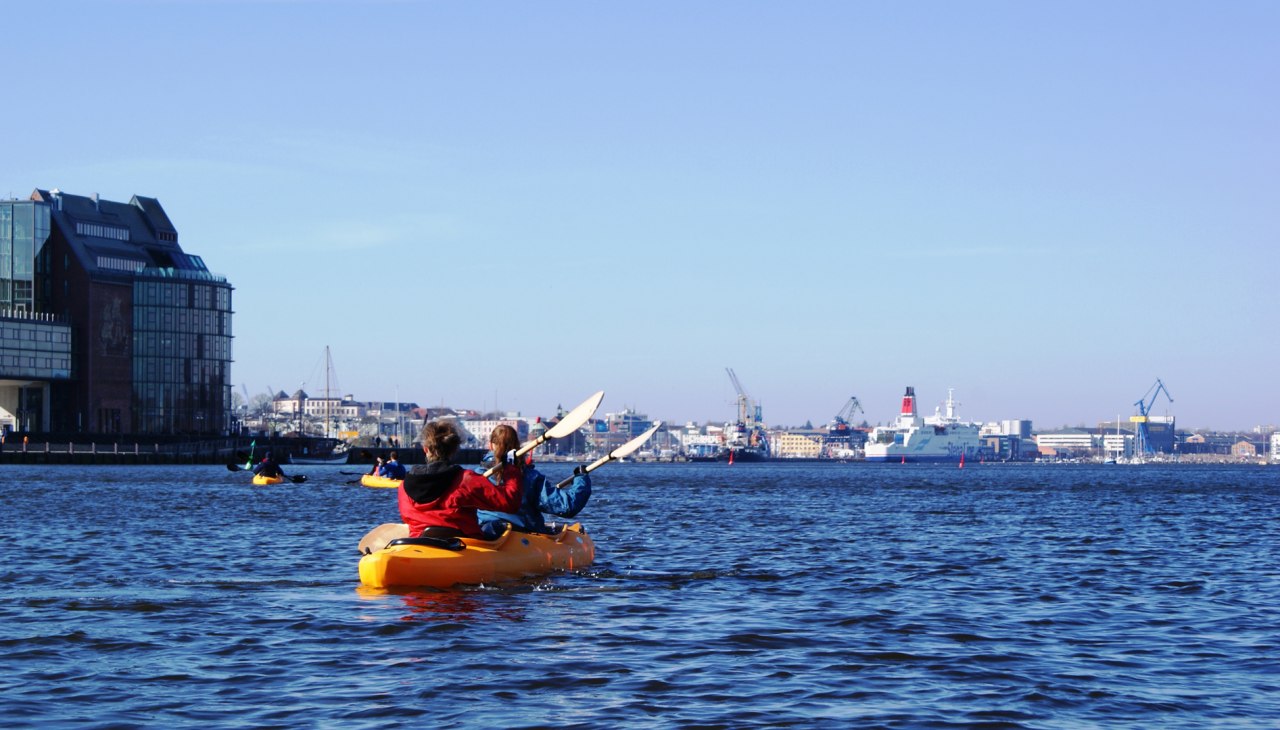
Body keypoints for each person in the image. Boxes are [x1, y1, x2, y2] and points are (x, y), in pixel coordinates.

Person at [398, 420, 522, 539]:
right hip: (465, 545)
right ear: (454, 449)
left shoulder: (403, 487)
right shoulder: (466, 480)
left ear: (425, 449)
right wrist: (511, 469)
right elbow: (510, 504)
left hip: (420, 543)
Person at [476, 424, 591, 538]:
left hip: (485, 534)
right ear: (517, 446)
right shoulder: (530, 477)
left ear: (490, 445)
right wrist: (581, 478)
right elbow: (567, 506)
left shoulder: (476, 475)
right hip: (522, 536)